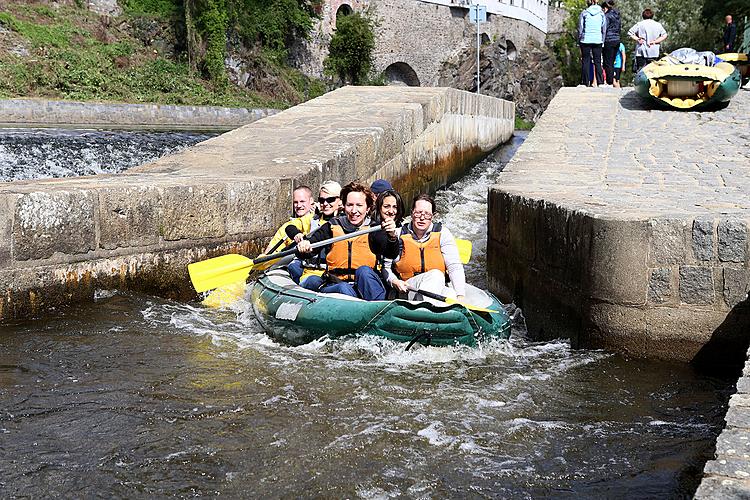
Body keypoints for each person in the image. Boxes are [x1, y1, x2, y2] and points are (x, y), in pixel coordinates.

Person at [296, 182, 399, 301]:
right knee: (341, 288)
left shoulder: (374, 229)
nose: (354, 211)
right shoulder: (331, 227)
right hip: (336, 285)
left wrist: (392, 236)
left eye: (359, 205)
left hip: (366, 287)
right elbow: (307, 249)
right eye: (350, 205)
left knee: (364, 271)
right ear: (343, 206)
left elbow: (391, 253)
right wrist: (304, 246)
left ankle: (377, 310)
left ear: (368, 208)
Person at [384, 194, 466, 304]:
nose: (422, 218)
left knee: (451, 295)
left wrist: (460, 295)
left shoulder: (443, 234)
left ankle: (430, 311)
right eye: (418, 213)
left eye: (427, 214)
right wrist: (394, 281)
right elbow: (386, 267)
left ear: (433, 216)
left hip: (435, 287)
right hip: (407, 288)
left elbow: (454, 267)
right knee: (436, 275)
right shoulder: (398, 234)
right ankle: (426, 312)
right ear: (412, 212)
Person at [286, 181, 343, 285]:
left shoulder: (345, 222)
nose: (325, 204)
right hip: (311, 274)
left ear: (340, 201)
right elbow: (289, 227)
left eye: (330, 200)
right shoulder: (313, 219)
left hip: (335, 276)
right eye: (322, 200)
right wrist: (297, 234)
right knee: (301, 272)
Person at [263, 185, 315, 254]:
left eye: (302, 201)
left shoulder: (319, 218)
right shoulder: (287, 226)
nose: (298, 205)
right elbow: (269, 251)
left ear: (311, 201)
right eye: (296, 202)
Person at [628, 9, 667, 73]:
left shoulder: (640, 24)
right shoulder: (658, 25)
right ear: (652, 16)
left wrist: (638, 39)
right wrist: (655, 41)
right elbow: (664, 35)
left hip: (641, 51)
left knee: (641, 71)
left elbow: (630, 33)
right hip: (654, 51)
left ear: (643, 16)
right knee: (653, 71)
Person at [578, 0, 607, 87]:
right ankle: (600, 82)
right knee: (598, 61)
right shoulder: (602, 14)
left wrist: (579, 39)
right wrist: (602, 40)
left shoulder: (584, 13)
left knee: (585, 61)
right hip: (598, 39)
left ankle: (585, 82)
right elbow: (604, 28)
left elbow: (580, 28)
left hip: (586, 39)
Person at [602, 0, 621, 87]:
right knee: (612, 61)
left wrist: (602, 40)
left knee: (608, 62)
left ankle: (609, 81)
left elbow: (604, 29)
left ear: (605, 7)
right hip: (617, 39)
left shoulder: (607, 16)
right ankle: (613, 79)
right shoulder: (617, 15)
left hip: (608, 40)